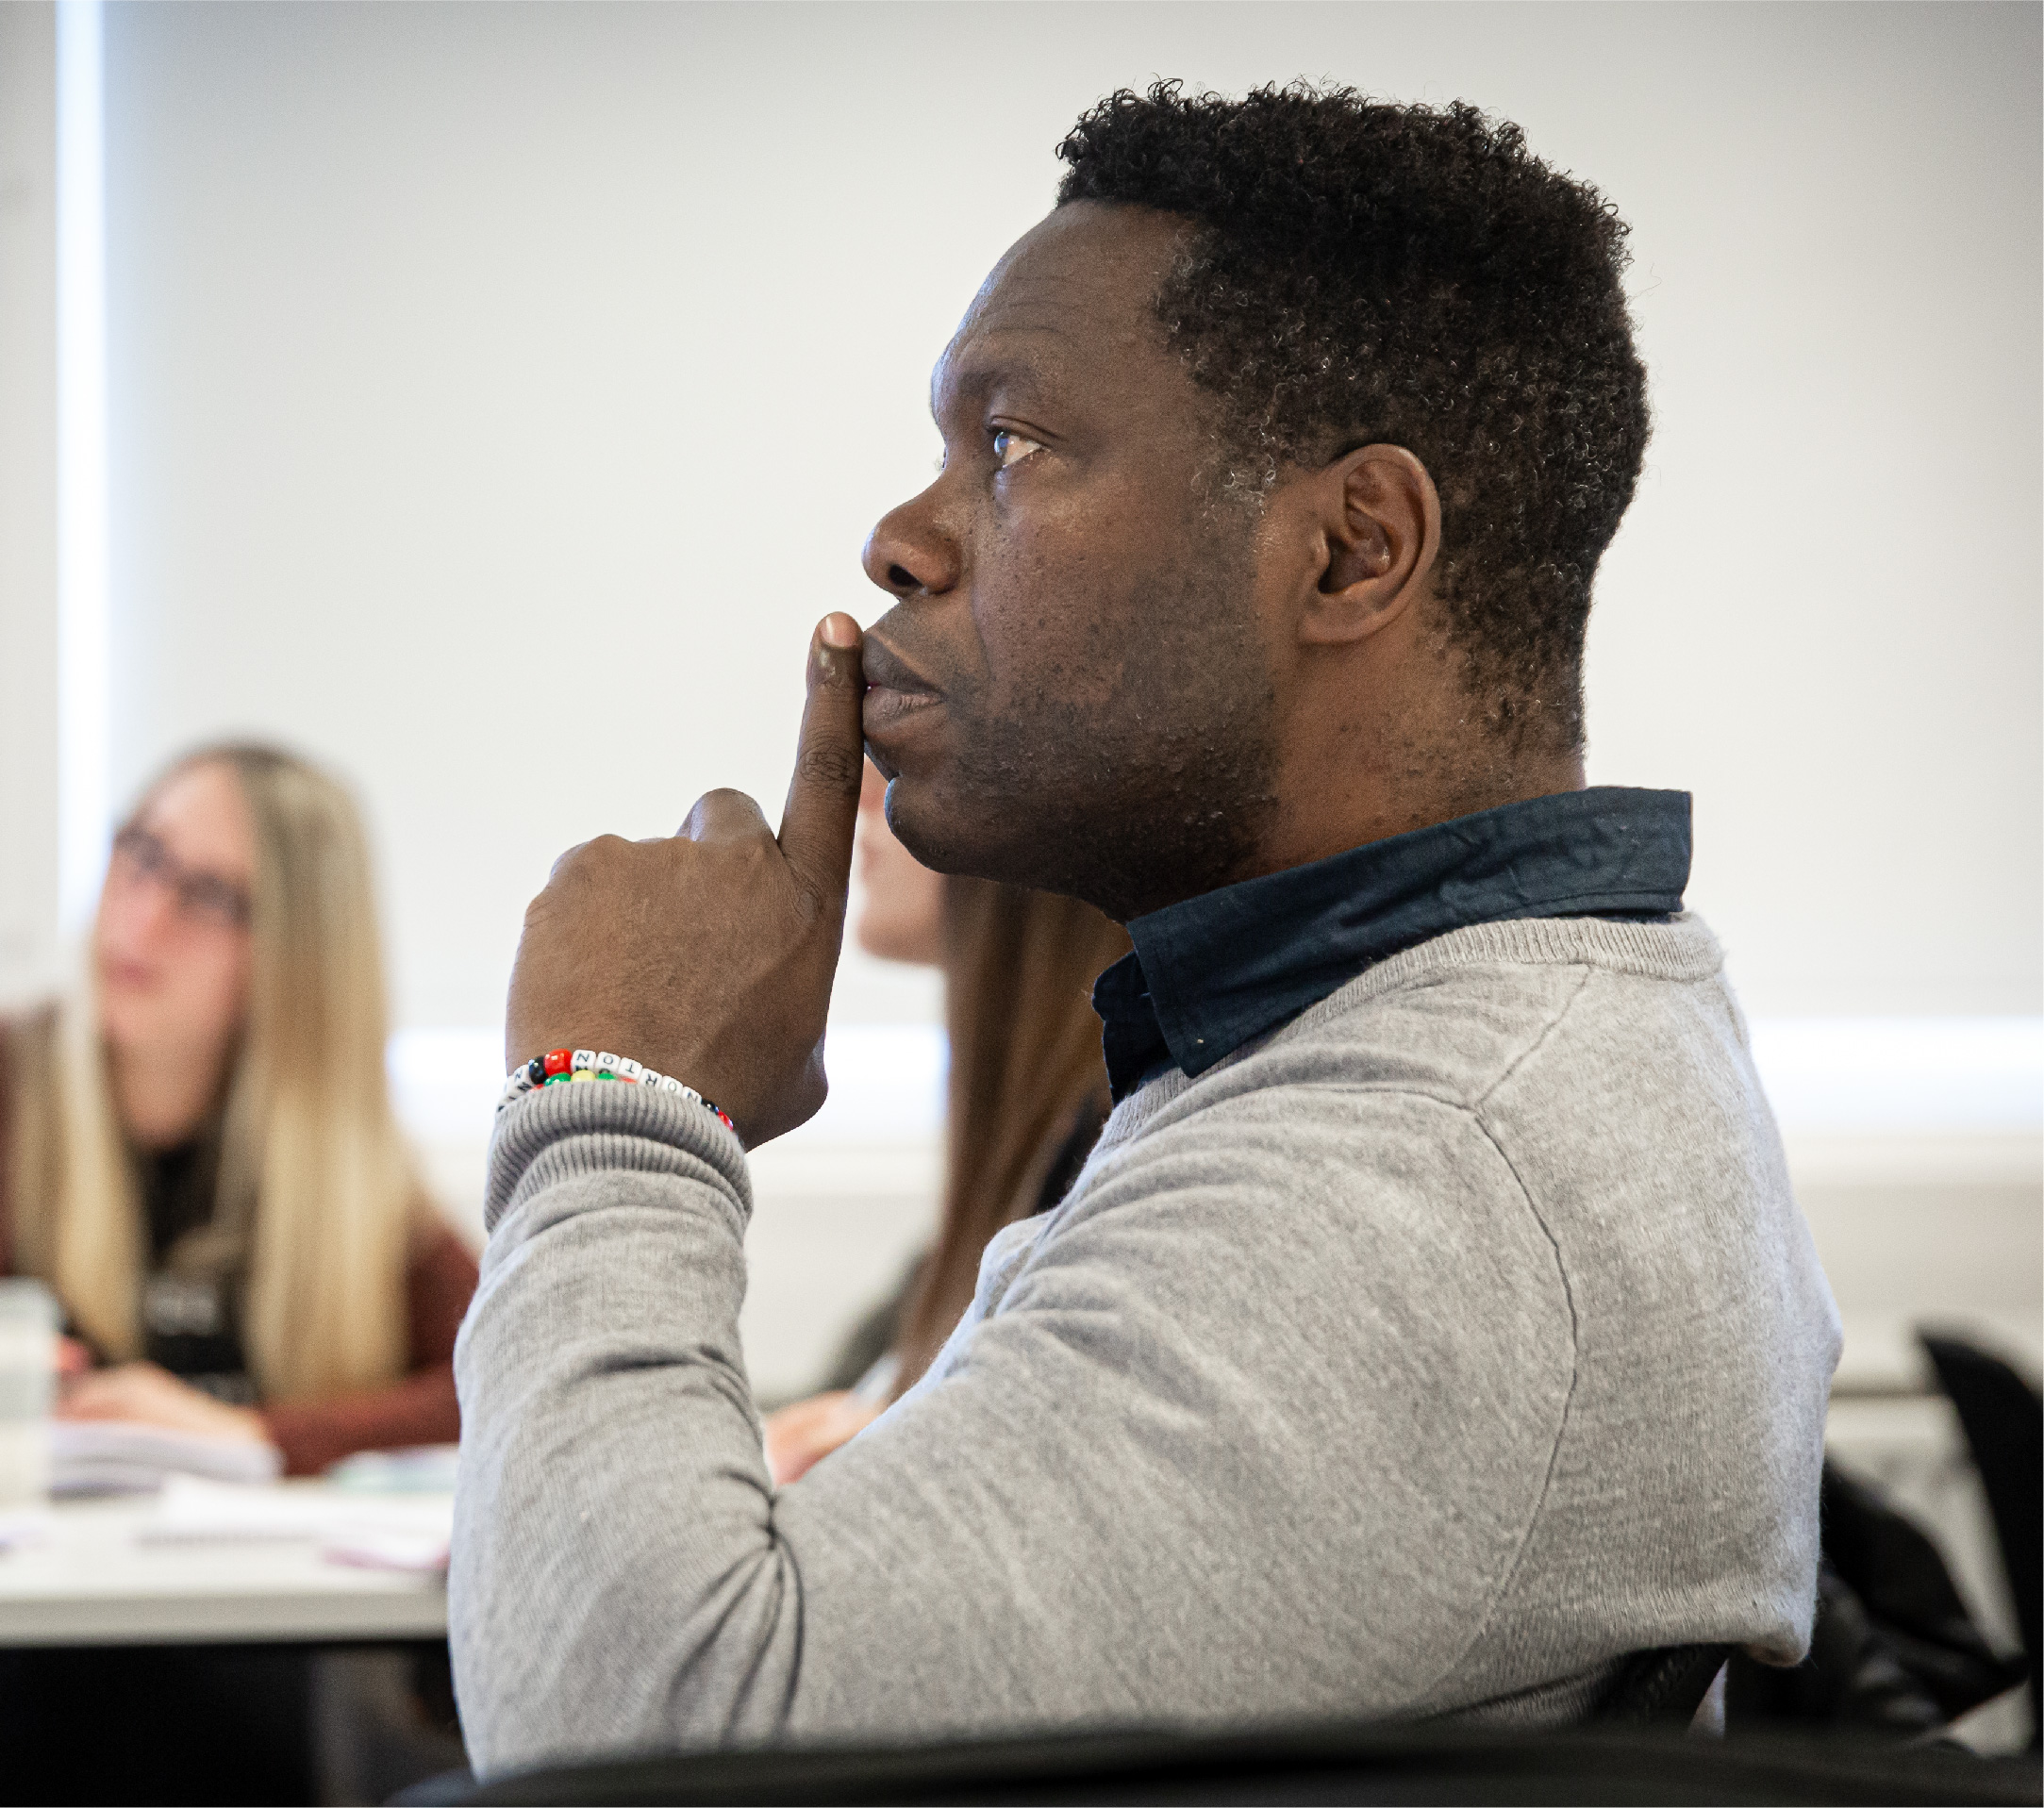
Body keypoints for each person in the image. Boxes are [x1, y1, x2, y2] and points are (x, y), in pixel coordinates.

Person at [449, 84, 1840, 1773]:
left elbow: (631, 1750)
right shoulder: (1420, 1048)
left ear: (1350, 551)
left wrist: (618, 1100)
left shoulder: (1424, 1169)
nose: (903, 536)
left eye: (1011, 444)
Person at [0, 742, 477, 1475]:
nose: (144, 914)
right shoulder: (14, 1088)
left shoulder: (348, 1165)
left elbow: (500, 1383)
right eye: (143, 852)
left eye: (211, 895)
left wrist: (251, 1434)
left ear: (296, 958)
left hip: (251, 1582)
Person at [764, 764, 1128, 1484]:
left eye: (902, 754)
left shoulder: (1103, 1177)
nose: (861, 792)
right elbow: (824, 1404)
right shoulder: (1001, 1180)